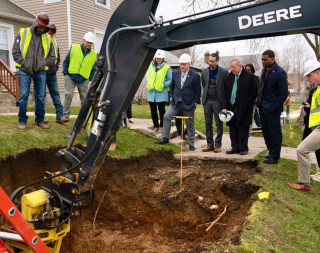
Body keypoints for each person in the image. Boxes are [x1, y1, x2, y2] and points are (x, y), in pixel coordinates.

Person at [12, 12, 55, 131]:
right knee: (24, 95)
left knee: (40, 96)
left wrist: (43, 63)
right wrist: (24, 63)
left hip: (40, 71)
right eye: (40, 26)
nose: (41, 29)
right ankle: (22, 121)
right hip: (24, 70)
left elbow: (52, 56)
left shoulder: (47, 38)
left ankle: (40, 120)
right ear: (35, 23)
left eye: (44, 28)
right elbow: (15, 51)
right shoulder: (23, 33)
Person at [155, 53, 201, 151]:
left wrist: (196, 102)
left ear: (189, 64)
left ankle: (191, 143)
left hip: (189, 104)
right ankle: (165, 138)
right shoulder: (175, 72)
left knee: (189, 123)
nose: (182, 66)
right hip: (176, 103)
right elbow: (172, 86)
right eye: (181, 64)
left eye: (184, 64)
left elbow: (198, 90)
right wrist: (171, 96)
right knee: (166, 116)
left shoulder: (195, 75)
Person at [288, 60, 320, 192]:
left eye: (309, 75)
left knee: (302, 150)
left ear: (318, 73)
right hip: (315, 127)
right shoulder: (317, 88)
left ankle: (304, 183)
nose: (307, 78)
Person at [257, 50, 288, 164]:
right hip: (263, 107)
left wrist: (274, 107)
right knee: (266, 132)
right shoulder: (265, 70)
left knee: (275, 133)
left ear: (272, 59)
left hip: (272, 109)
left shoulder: (280, 73)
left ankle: (275, 156)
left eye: (265, 59)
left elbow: (283, 93)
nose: (263, 61)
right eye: (262, 59)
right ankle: (271, 152)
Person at [224, 57, 258, 155]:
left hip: (244, 106)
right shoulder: (230, 77)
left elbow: (254, 91)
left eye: (233, 67)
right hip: (231, 105)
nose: (232, 69)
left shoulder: (249, 76)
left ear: (240, 66)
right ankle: (235, 147)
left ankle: (243, 148)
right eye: (230, 67)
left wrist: (248, 103)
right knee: (233, 127)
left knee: (243, 127)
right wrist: (226, 105)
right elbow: (226, 91)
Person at [63, 32, 97, 118]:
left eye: (91, 43)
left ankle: (84, 117)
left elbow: (94, 68)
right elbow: (66, 60)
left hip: (84, 79)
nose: (89, 44)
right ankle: (65, 115)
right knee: (69, 95)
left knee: (84, 98)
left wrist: (90, 78)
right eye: (88, 42)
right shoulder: (74, 48)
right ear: (83, 40)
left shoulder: (94, 54)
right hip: (70, 77)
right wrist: (65, 73)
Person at [201, 53, 228, 153]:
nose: (210, 63)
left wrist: (225, 105)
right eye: (209, 61)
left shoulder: (224, 72)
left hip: (218, 101)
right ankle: (209, 144)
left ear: (217, 61)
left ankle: (218, 144)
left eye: (212, 61)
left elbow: (226, 89)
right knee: (208, 123)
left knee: (218, 123)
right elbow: (204, 84)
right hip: (207, 100)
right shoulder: (204, 72)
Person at [45, 23, 69, 124]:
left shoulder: (54, 42)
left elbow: (57, 57)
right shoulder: (41, 40)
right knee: (40, 95)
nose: (52, 35)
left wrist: (56, 67)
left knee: (56, 93)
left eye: (53, 33)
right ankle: (40, 118)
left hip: (52, 73)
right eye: (50, 33)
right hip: (41, 72)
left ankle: (60, 116)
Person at [147, 50, 172, 133]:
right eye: (157, 58)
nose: (158, 59)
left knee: (161, 110)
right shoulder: (151, 67)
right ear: (155, 58)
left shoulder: (166, 68)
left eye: (160, 58)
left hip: (161, 92)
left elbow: (170, 80)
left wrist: (163, 84)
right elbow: (149, 77)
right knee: (153, 110)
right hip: (152, 92)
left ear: (163, 59)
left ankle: (161, 126)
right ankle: (155, 125)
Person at [245, 63, 261, 138]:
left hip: (252, 101)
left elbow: (257, 90)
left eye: (249, 70)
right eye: (246, 70)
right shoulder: (243, 78)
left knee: (250, 117)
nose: (247, 71)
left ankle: (249, 132)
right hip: (244, 100)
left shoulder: (256, 78)